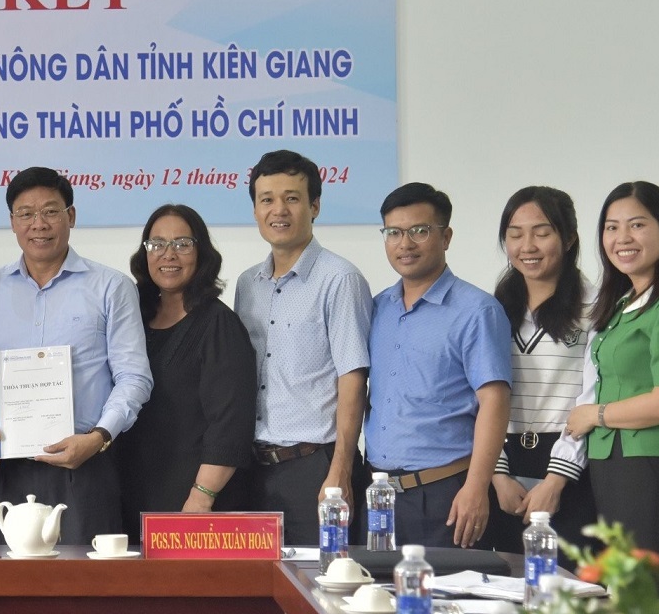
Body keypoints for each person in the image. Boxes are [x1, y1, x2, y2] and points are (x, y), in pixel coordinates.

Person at [0, 168, 152, 545]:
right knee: (4, 589)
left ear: (71, 216)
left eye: (50, 212)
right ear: (12, 222)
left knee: (85, 590)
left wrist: (100, 437)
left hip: (85, 464)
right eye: (26, 214)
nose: (38, 224)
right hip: (6, 465)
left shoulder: (111, 287)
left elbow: (134, 378)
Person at [565, 181, 659, 579]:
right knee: (623, 598)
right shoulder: (620, 305)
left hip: (652, 469)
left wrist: (593, 414)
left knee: (650, 601)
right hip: (611, 467)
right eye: (611, 227)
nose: (622, 238)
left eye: (636, 225)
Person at [232, 150, 372, 545]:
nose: (279, 210)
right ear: (256, 210)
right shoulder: (247, 284)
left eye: (292, 198)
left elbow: (353, 377)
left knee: (322, 587)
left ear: (314, 206)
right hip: (255, 468)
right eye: (267, 199)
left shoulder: (339, 279)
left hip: (315, 466)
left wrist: (341, 470)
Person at [364, 182, 510, 548]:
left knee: (447, 603)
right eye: (393, 233)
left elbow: (495, 402)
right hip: (379, 495)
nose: (405, 244)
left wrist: (477, 488)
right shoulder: (378, 308)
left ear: (446, 236)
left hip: (445, 495)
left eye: (419, 231)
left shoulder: (476, 310)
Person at [113, 204, 255, 541]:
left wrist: (200, 500)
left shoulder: (218, 323)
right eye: (157, 244)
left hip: (191, 503)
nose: (169, 254)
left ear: (201, 252)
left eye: (182, 243)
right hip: (129, 494)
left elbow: (230, 424)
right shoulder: (132, 319)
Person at [487, 186, 596, 558]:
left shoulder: (596, 308)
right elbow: (482, 397)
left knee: (568, 597)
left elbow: (592, 397)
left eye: (542, 232)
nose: (527, 246)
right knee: (504, 594)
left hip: (570, 469)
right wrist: (498, 474)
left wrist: (556, 481)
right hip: (503, 466)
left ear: (568, 239)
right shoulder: (492, 309)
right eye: (515, 234)